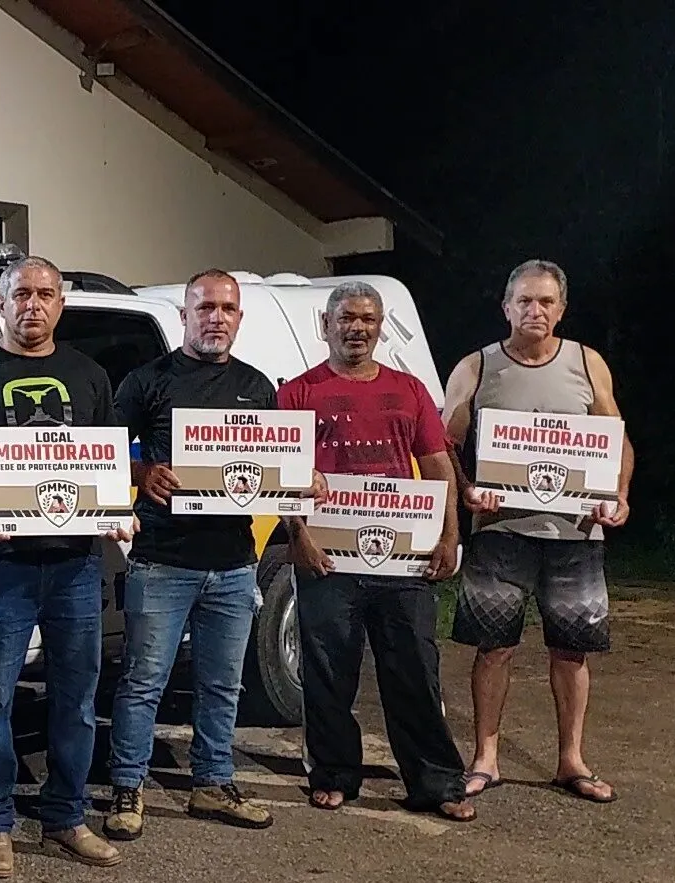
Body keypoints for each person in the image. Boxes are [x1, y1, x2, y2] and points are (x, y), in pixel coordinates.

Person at [0, 255, 136, 879]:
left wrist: (117, 508)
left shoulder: (89, 375)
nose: (33, 305)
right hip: (0, 564)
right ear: (2, 302)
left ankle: (66, 815)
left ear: (61, 304)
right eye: (21, 294)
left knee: (77, 697)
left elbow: (107, 457)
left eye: (45, 294)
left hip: (75, 565)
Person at [104, 269, 325, 840]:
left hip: (233, 562)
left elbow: (280, 469)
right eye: (204, 308)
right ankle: (127, 786)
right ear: (185, 316)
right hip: (162, 560)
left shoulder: (257, 387)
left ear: (239, 318)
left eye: (227, 309)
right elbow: (100, 451)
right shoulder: (147, 381)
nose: (216, 318)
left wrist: (305, 486)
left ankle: (212, 782)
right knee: (144, 681)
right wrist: (142, 473)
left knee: (223, 684)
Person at [277, 281, 476, 822]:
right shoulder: (297, 393)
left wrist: (449, 534)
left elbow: (437, 465)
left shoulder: (408, 390)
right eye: (346, 318)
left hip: (402, 559)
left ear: (380, 327)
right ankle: (334, 774)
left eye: (367, 319)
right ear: (326, 325)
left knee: (415, 670)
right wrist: (299, 536)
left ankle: (436, 781)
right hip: (327, 558)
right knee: (328, 673)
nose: (356, 328)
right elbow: (281, 474)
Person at [442, 259, 634, 803]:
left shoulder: (587, 363)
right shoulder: (477, 366)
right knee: (493, 648)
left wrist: (619, 495)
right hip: (501, 531)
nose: (535, 310)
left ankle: (571, 761)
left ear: (561, 309)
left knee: (572, 651)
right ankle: (486, 758)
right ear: (506, 307)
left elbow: (616, 438)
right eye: (525, 301)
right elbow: (444, 442)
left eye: (546, 301)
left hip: (576, 533)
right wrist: (468, 489)